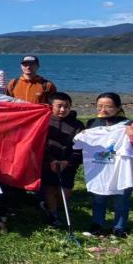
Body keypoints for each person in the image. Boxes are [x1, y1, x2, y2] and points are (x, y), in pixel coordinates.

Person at [80, 92, 133, 238]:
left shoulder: (130, 124)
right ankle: (97, 226)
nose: (103, 110)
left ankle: (119, 229)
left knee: (121, 201)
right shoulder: (92, 124)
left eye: (108, 106)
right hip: (100, 169)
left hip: (122, 170)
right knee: (98, 200)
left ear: (118, 107)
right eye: (99, 106)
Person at [41, 92, 84, 227]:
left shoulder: (77, 125)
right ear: (51, 106)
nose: (62, 110)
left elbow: (80, 147)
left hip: (68, 163)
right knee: (50, 189)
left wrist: (69, 162)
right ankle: (52, 215)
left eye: (66, 106)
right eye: (59, 106)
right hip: (48, 162)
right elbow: (41, 145)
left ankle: (55, 206)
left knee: (65, 192)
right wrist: (51, 160)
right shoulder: (44, 122)